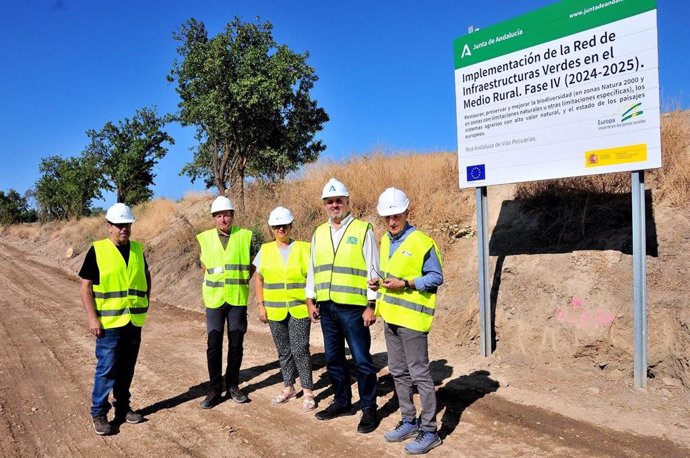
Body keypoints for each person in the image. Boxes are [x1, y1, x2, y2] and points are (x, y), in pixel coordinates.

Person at [368, 187, 444, 455]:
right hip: (391, 317)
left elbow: (436, 277)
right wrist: (380, 284)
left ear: (407, 212)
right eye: (387, 217)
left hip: (413, 320)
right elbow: (392, 274)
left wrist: (407, 283)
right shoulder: (386, 241)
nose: (392, 222)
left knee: (420, 374)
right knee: (398, 372)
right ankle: (409, 420)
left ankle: (430, 430)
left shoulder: (423, 242)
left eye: (396, 215)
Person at [306, 178, 380, 433]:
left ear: (348, 202)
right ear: (325, 205)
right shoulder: (319, 232)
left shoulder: (362, 229)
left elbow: (373, 269)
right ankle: (342, 402)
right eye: (330, 202)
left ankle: (370, 409)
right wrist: (310, 299)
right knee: (334, 358)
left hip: (354, 308)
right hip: (326, 307)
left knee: (362, 360)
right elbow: (313, 270)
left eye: (339, 201)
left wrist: (372, 305)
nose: (334, 205)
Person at [79, 203, 151, 436]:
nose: (124, 228)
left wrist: (145, 301)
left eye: (127, 224)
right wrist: (93, 318)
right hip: (108, 324)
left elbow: (146, 275)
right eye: (119, 225)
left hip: (133, 321)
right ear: (109, 226)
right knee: (107, 369)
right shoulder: (98, 250)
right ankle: (99, 413)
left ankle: (122, 408)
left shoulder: (138, 250)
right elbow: (85, 286)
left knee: (127, 368)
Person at [253, 207, 316, 411]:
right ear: (271, 228)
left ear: (291, 226)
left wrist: (313, 303)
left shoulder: (305, 248)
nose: (281, 228)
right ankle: (289, 387)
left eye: (284, 225)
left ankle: (307, 390)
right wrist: (260, 306)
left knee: (300, 350)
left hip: (299, 308)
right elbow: (259, 279)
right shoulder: (265, 250)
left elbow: (312, 279)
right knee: (283, 352)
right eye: (277, 226)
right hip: (275, 310)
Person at [196, 196, 255, 408]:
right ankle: (214, 389)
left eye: (226, 215)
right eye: (219, 215)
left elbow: (252, 264)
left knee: (236, 344)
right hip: (214, 300)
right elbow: (203, 265)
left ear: (232, 216)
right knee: (213, 346)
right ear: (214, 218)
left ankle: (232, 385)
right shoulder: (204, 238)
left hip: (237, 298)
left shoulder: (245, 236)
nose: (223, 219)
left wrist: (240, 281)